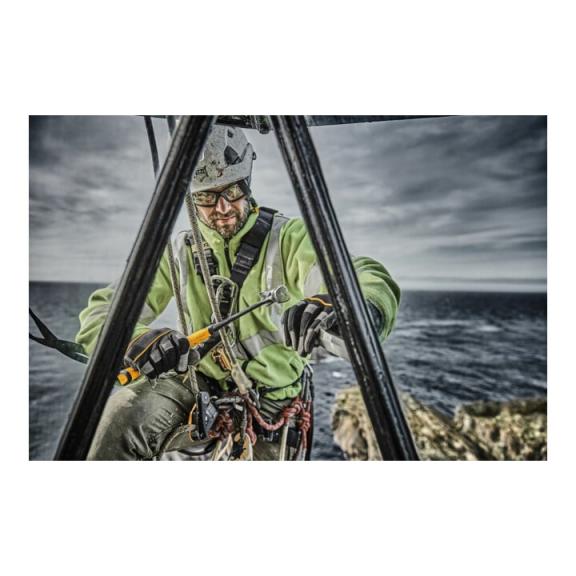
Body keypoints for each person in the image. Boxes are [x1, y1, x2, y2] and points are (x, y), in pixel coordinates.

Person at [76, 124, 401, 460]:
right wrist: (135, 341)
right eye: (206, 197)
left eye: (232, 190)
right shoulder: (177, 253)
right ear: (190, 198)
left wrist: (352, 304)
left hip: (272, 400)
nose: (222, 208)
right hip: (197, 383)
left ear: (248, 182)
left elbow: (360, 273)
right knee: (116, 418)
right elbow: (103, 311)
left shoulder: (289, 239)